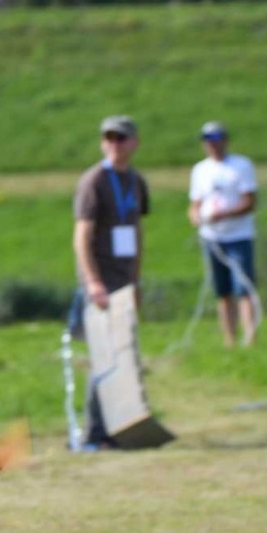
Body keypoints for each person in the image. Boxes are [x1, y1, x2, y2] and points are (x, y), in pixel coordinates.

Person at [71, 115, 150, 446]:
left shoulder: (135, 181)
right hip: (101, 282)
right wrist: (93, 282)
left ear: (134, 142)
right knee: (104, 357)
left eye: (121, 138)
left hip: (124, 280)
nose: (115, 144)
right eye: (109, 138)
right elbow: (81, 236)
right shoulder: (94, 181)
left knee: (124, 355)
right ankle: (95, 432)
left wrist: (136, 280)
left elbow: (136, 230)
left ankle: (120, 428)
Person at [188, 121, 259, 348]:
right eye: (209, 142)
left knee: (244, 288)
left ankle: (250, 338)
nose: (213, 146)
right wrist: (196, 216)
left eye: (217, 141)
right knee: (223, 290)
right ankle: (229, 340)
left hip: (238, 236)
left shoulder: (241, 166)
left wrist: (225, 214)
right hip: (212, 237)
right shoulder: (200, 170)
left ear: (225, 141)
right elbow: (195, 203)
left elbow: (249, 202)